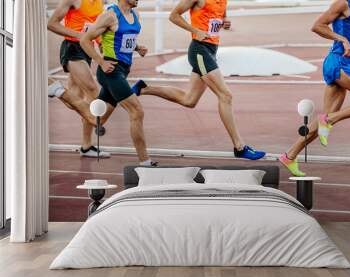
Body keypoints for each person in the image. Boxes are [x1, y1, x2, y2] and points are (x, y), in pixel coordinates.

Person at [130, 0, 266, 160]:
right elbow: (173, 16)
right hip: (199, 50)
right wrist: (195, 30)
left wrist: (224, 23)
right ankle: (240, 147)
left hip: (211, 50)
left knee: (189, 100)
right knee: (225, 96)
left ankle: (144, 88)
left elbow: (219, 18)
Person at [279, 0, 350, 176]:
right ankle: (330, 119)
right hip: (339, 63)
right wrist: (341, 38)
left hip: (343, 61)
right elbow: (317, 26)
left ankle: (290, 155)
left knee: (323, 121)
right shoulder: (342, 3)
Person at [75, 0, 156, 166]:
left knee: (96, 120)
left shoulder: (135, 14)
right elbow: (85, 40)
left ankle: (62, 93)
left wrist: (137, 47)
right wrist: (100, 61)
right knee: (137, 111)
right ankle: (145, 162)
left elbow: (123, 40)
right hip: (111, 71)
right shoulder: (110, 16)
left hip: (123, 71)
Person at [47, 0, 110, 158]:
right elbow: (52, 24)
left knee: (77, 98)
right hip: (72, 48)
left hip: (87, 49)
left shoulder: (100, 2)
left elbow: (94, 26)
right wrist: (79, 35)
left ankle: (86, 146)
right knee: (94, 91)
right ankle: (55, 88)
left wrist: (100, 43)